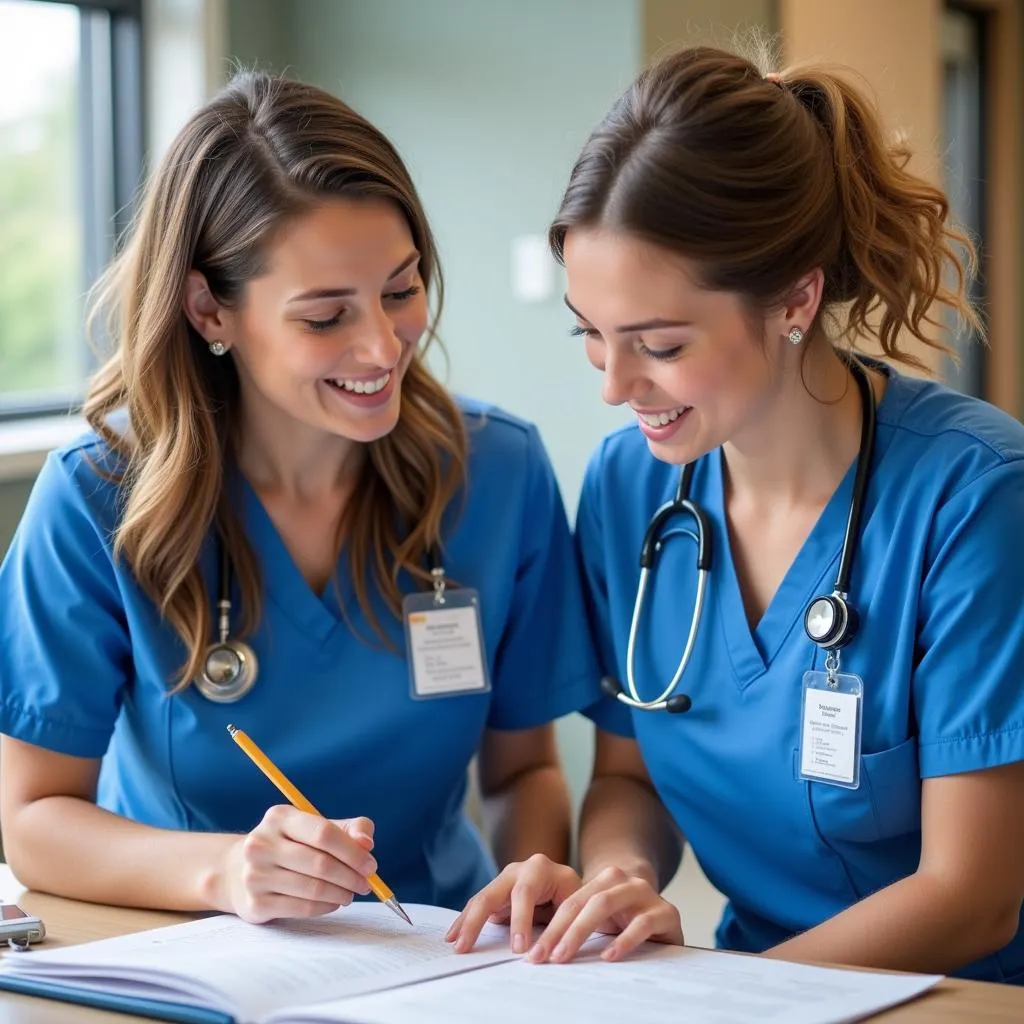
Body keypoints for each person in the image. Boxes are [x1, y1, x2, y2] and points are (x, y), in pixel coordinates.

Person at [448, 45, 1024, 984]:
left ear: (796, 298)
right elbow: (629, 779)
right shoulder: (630, 487)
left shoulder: (975, 499)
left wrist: (741, 1006)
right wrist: (620, 877)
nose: (616, 387)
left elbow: (971, 894)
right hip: (748, 988)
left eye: (661, 344)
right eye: (590, 337)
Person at [0, 71, 599, 924]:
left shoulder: (496, 473)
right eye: (324, 317)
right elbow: (32, 820)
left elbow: (523, 772)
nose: (383, 346)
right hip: (186, 950)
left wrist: (531, 878)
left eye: (400, 290)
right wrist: (225, 873)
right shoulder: (96, 499)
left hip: (439, 955)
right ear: (210, 309)